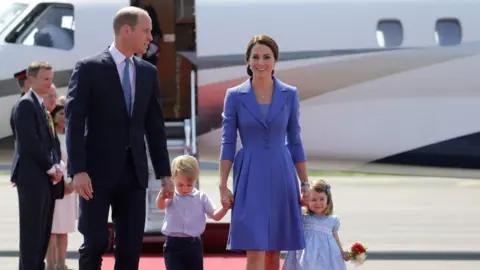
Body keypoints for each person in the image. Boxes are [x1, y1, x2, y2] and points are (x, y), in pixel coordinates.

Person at [65, 6, 173, 270]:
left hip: (133, 174)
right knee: (95, 241)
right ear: (127, 30)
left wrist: (164, 173)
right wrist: (78, 169)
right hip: (95, 175)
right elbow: (74, 122)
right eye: (146, 31)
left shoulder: (148, 72)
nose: (151, 37)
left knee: (130, 246)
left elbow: (154, 126)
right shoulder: (89, 68)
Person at [218, 34, 311, 270]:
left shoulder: (290, 94)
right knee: (255, 249)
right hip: (249, 174)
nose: (261, 62)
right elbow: (227, 142)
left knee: (273, 253)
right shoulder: (234, 96)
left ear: (275, 60)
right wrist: (222, 184)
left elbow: (295, 140)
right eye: (255, 57)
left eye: (266, 57)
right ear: (248, 61)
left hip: (282, 173)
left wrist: (305, 183)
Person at [11, 61, 66, 270]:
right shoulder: (26, 104)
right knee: (32, 232)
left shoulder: (41, 105)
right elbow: (29, 141)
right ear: (31, 80)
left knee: (43, 230)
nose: (49, 84)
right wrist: (50, 167)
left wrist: (58, 163)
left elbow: (50, 139)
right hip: (33, 177)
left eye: (51, 79)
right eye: (45, 79)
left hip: (45, 178)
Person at [157, 155, 232, 270]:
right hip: (173, 244)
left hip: (194, 245)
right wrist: (161, 196)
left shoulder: (201, 197)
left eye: (189, 185)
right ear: (173, 178)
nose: (185, 189)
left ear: (195, 179)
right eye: (180, 185)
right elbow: (161, 206)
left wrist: (225, 209)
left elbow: (215, 216)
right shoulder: (172, 196)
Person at [283, 180, 349, 270]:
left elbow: (336, 238)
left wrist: (342, 252)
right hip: (307, 256)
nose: (318, 203)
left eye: (321, 199)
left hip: (328, 256)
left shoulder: (333, 220)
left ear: (328, 199)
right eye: (313, 199)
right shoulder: (303, 217)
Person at [44, 90, 77, 270]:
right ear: (54, 116)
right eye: (61, 113)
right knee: (51, 229)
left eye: (66, 113)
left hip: (69, 188)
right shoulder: (49, 137)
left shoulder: (72, 136)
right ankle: (50, 264)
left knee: (63, 229)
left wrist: (71, 182)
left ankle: (61, 263)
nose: (64, 117)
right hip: (53, 185)